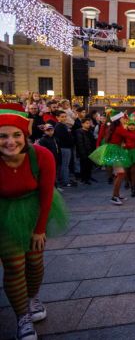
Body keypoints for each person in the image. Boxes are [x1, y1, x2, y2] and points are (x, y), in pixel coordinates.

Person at [0, 104, 68, 340]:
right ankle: (22, 317)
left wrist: (40, 229)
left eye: (16, 135)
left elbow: (47, 193)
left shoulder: (41, 155)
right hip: (3, 213)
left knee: (35, 262)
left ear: (25, 135)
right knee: (14, 266)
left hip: (33, 209)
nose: (10, 142)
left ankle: (32, 297)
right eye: (3, 136)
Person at [88, 111, 135, 205]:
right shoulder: (119, 128)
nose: (125, 119)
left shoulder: (113, 127)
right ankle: (114, 197)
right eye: (123, 118)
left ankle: (117, 194)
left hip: (114, 150)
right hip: (115, 151)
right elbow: (131, 136)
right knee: (120, 173)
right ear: (119, 119)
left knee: (118, 174)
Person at [53, 110, 76, 187]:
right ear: (57, 117)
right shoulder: (59, 126)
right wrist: (71, 140)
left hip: (65, 147)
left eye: (65, 116)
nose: (64, 118)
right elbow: (65, 138)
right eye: (62, 117)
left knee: (64, 164)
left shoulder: (63, 125)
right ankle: (65, 181)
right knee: (65, 165)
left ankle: (63, 179)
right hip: (64, 147)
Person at [74, 117, 95, 185]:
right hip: (84, 152)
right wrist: (83, 153)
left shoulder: (90, 131)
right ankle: (84, 179)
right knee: (84, 166)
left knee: (89, 166)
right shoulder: (79, 132)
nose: (88, 125)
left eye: (89, 123)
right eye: (87, 123)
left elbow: (92, 141)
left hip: (90, 151)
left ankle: (88, 177)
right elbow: (80, 143)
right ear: (82, 124)